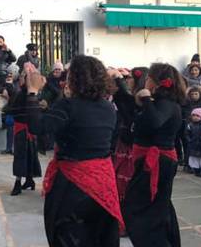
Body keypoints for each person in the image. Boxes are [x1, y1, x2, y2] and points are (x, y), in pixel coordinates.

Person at [25, 56, 123, 246]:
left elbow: (37, 126)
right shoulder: (109, 107)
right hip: (103, 179)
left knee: (66, 235)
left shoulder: (69, 106)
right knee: (99, 236)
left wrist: (32, 91)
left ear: (75, 79)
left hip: (73, 181)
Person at [122, 63, 186, 247]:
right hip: (152, 162)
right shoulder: (158, 103)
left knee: (142, 212)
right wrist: (120, 84)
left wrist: (147, 100)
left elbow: (154, 122)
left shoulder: (165, 104)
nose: (146, 81)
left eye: (149, 78)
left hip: (157, 163)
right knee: (157, 209)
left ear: (157, 83)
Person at [110, 67, 148, 203]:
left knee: (129, 179)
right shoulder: (129, 98)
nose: (128, 80)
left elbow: (126, 100)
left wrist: (119, 79)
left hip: (134, 146)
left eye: (130, 77)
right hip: (124, 142)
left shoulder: (142, 100)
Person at [5, 64, 42, 195]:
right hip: (29, 130)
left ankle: (18, 182)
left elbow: (13, 109)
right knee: (30, 155)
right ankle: (29, 180)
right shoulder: (34, 93)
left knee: (21, 156)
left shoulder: (23, 93)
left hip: (22, 129)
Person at [181, 86, 201, 172]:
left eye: (196, 94)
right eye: (192, 94)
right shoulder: (186, 104)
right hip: (190, 128)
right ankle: (187, 164)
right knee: (189, 147)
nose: (194, 96)